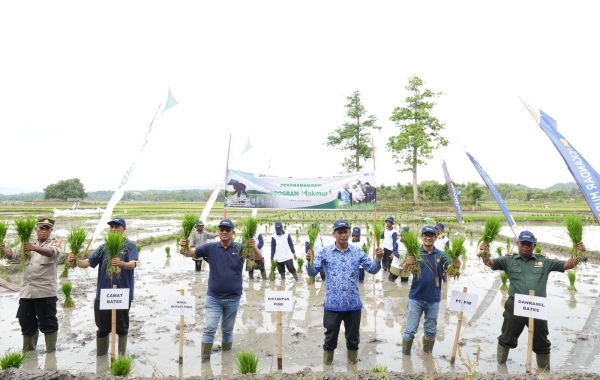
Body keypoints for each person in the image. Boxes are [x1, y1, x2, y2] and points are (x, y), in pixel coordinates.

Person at [479, 231, 585, 370]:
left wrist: (579, 254)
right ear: (517, 244)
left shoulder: (544, 261)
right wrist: (484, 251)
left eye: (529, 244)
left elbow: (567, 265)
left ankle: (544, 370)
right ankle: (500, 368)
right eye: (523, 243)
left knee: (541, 340)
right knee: (507, 337)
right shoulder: (508, 260)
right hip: (515, 305)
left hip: (537, 306)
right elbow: (490, 263)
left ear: (534, 245)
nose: (526, 246)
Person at [180, 219, 262, 361]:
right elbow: (189, 253)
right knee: (210, 327)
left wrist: (253, 246)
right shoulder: (209, 248)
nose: (224, 232)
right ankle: (205, 361)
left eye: (227, 230)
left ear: (232, 232)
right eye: (221, 229)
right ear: (218, 232)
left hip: (233, 298)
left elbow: (259, 258)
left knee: (227, 330)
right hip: (214, 297)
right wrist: (183, 246)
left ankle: (226, 359)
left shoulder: (240, 248)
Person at [306, 220, 384, 365]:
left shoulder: (357, 251)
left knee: (353, 340)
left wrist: (378, 259)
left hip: (353, 305)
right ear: (334, 234)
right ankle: (327, 369)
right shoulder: (326, 252)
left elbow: (372, 269)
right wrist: (309, 262)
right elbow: (312, 272)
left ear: (349, 233)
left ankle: (352, 369)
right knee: (329, 339)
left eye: (345, 232)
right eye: (339, 232)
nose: (343, 235)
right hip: (332, 305)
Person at [68, 217, 138, 357]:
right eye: (111, 227)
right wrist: (75, 260)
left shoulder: (130, 246)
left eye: (117, 227)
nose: (113, 229)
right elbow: (86, 264)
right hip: (104, 294)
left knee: (122, 327)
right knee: (102, 327)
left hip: (122, 293)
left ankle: (122, 357)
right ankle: (101, 358)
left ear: (124, 229)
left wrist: (121, 264)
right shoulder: (103, 247)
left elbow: (133, 264)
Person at [1, 218, 63, 352]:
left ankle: (50, 354)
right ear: (36, 229)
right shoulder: (27, 243)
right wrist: (3, 249)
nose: (43, 231)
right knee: (26, 322)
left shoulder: (55, 243)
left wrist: (34, 248)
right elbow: (12, 254)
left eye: (47, 228)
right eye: (41, 228)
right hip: (26, 292)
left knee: (48, 323)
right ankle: (29, 354)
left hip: (45, 292)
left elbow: (53, 252)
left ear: (51, 230)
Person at [402, 225, 461, 355]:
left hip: (433, 299)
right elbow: (404, 270)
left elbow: (450, 268)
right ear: (421, 237)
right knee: (410, 330)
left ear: (436, 237)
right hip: (416, 298)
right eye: (425, 235)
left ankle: (427, 355)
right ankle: (405, 358)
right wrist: (407, 262)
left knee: (430, 330)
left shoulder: (441, 255)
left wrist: (456, 265)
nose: (428, 238)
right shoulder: (414, 253)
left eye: (431, 235)